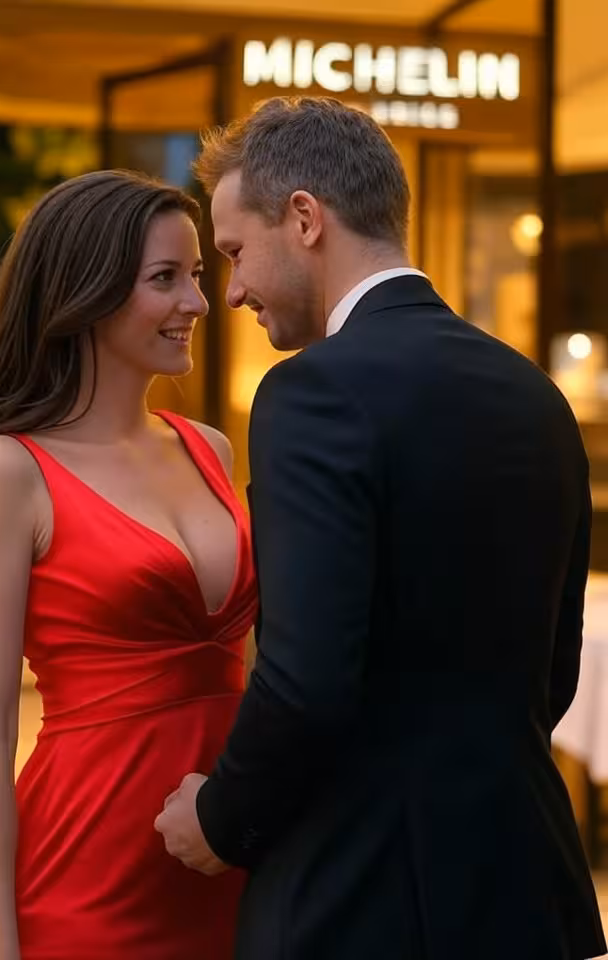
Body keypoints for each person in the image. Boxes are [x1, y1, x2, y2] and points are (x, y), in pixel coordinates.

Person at [154, 97, 608, 960]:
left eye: (236, 252)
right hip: (525, 891)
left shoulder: (311, 393)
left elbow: (306, 675)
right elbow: (553, 669)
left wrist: (221, 819)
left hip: (358, 898)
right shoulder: (534, 396)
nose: (235, 289)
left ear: (304, 218)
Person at [0, 169, 257, 960]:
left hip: (238, 860)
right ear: (86, 292)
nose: (197, 302)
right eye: (165, 279)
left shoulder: (209, 450)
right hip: (86, 878)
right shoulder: (6, 473)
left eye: (196, 275)